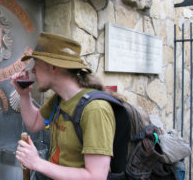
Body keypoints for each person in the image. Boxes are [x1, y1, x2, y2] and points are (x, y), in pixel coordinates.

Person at [12, 32, 117, 180]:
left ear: (54, 67)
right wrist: (24, 95)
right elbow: (34, 123)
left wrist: (37, 163)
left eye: (37, 64)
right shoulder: (59, 99)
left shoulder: (95, 109)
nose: (33, 70)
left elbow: (96, 177)